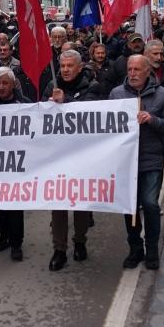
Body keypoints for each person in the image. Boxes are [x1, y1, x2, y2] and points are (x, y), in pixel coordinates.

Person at [109, 55, 164, 270]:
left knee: (149, 204)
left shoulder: (162, 95)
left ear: (148, 71)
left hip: (150, 159)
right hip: (126, 161)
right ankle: (135, 249)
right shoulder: (116, 94)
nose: (132, 73)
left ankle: (152, 250)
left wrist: (152, 120)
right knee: (129, 208)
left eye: (137, 69)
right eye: (130, 69)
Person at [45, 50, 101, 271]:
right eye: (63, 66)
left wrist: (65, 101)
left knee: (80, 204)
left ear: (79, 67)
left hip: (82, 156)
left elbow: (91, 116)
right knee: (58, 205)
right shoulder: (52, 85)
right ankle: (59, 249)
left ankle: (80, 241)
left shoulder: (92, 87)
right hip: (57, 156)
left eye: (70, 66)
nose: (66, 70)